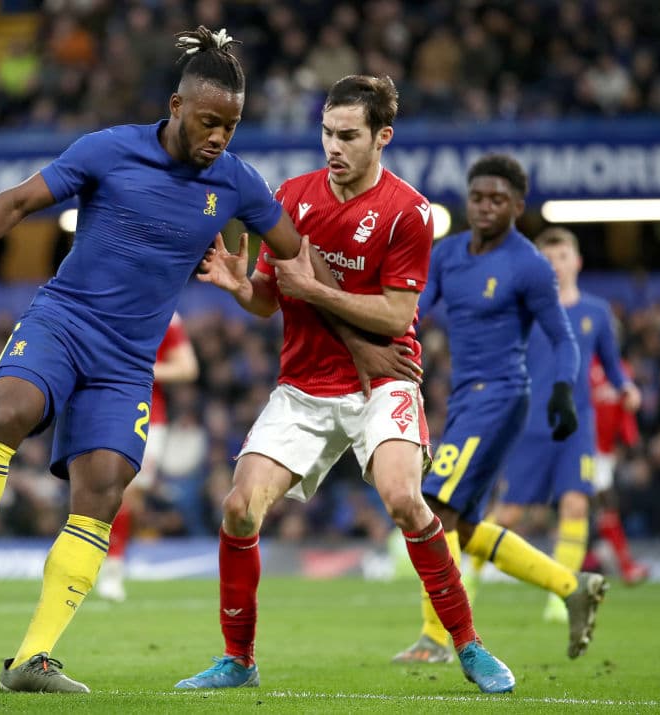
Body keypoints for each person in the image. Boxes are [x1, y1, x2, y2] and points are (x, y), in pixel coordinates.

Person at [0, 26, 387, 694]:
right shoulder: (109, 150)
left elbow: (294, 249)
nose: (218, 139)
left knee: (104, 489)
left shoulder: (236, 182)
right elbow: (18, 201)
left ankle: (33, 658)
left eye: (230, 127)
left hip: (126, 361)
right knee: (13, 409)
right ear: (176, 108)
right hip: (63, 321)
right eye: (209, 122)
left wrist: (299, 306)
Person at [174, 75, 514, 694]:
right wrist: (239, 286)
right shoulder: (292, 196)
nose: (334, 146)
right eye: (327, 133)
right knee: (238, 508)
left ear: (382, 137)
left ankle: (469, 645)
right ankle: (239, 659)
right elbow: (270, 298)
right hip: (302, 387)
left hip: (381, 381)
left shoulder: (407, 212)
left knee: (406, 500)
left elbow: (396, 317)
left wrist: (314, 290)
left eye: (349, 136)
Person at [393, 154, 608, 666]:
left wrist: (562, 389)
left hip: (504, 396)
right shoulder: (447, 255)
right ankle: (570, 585)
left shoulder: (529, 264)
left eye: (497, 200)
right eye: (477, 198)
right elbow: (415, 312)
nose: (485, 208)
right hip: (466, 397)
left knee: (433, 508)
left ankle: (434, 638)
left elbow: (562, 337)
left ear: (517, 205)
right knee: (462, 526)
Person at [476, 228, 641, 622]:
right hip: (529, 425)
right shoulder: (524, 311)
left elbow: (612, 366)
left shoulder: (597, 313)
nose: (556, 265)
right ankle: (467, 578)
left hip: (576, 426)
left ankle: (562, 594)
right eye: (548, 259)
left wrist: (626, 388)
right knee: (510, 513)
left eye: (562, 257)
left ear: (576, 262)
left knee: (575, 503)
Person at [97, 312, 199, 602]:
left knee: (128, 495)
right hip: (104, 408)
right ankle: (94, 562)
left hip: (148, 417)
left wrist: (139, 369)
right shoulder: (109, 305)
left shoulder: (168, 315)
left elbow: (187, 368)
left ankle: (113, 569)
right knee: (100, 490)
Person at [590, 355, 649, 584]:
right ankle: (625, 565)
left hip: (604, 453)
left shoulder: (620, 369)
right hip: (582, 448)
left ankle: (616, 563)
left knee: (600, 506)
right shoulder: (583, 361)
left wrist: (630, 442)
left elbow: (625, 413)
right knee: (603, 504)